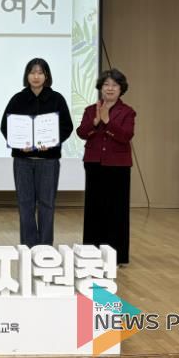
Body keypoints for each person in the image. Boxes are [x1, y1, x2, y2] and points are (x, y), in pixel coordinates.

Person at [0, 58, 73, 247]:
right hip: (23, 160)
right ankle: (28, 246)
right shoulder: (18, 99)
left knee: (47, 204)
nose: (36, 76)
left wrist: (52, 142)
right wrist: (18, 144)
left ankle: (45, 246)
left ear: (46, 76)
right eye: (32, 72)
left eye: (40, 72)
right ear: (27, 76)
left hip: (48, 161)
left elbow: (67, 126)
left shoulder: (57, 99)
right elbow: (5, 126)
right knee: (25, 204)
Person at [77, 68, 135, 266]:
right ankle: (91, 254)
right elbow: (81, 133)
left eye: (114, 85)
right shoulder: (90, 109)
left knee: (117, 210)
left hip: (118, 166)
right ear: (100, 88)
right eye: (106, 84)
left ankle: (117, 256)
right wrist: (95, 122)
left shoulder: (127, 112)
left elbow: (126, 136)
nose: (110, 88)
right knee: (94, 208)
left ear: (121, 89)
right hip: (94, 163)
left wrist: (108, 122)